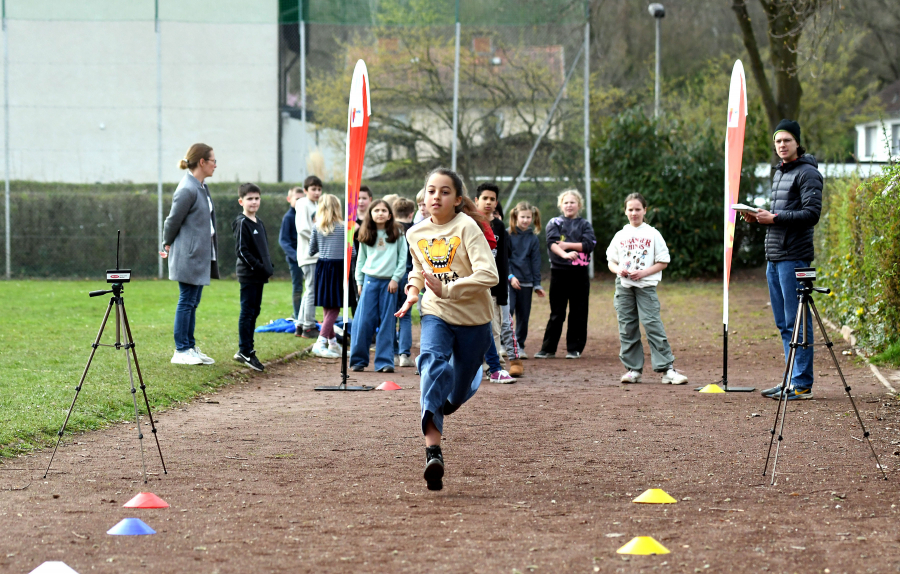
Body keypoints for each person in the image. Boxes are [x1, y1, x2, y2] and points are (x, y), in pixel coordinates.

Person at [395, 167, 498, 491]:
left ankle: (456, 392)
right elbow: (418, 269)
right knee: (431, 366)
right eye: (430, 190)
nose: (435, 196)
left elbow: (489, 275)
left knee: (453, 393)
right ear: (423, 196)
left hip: (474, 320)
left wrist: (449, 288)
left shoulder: (468, 227)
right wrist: (414, 292)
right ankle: (433, 453)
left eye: (444, 191)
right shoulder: (415, 233)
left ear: (457, 199)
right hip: (435, 313)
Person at [742, 119, 823, 401]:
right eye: (778, 141)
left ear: (797, 143)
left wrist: (774, 217)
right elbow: (782, 215)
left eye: (787, 140)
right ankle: (790, 380)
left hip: (795, 259)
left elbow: (811, 214)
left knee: (797, 322)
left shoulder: (808, 173)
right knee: (783, 323)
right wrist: (760, 215)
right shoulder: (779, 173)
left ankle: (801, 384)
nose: (782, 145)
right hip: (774, 257)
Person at [606, 193, 688, 385]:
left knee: (652, 324)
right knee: (627, 327)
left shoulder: (652, 234)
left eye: (637, 209)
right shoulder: (620, 235)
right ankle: (633, 370)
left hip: (646, 287)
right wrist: (619, 270)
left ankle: (667, 369)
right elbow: (611, 261)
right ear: (625, 211)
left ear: (645, 210)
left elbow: (663, 262)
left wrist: (643, 273)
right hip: (624, 286)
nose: (634, 213)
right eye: (630, 209)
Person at [162, 143, 219, 366]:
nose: (216, 165)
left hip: (200, 254)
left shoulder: (201, 187)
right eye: (213, 160)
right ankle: (181, 350)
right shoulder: (187, 188)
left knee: (193, 301)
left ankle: (190, 346)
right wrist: (166, 243)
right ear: (202, 162)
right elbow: (172, 221)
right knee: (186, 300)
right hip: (188, 254)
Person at [535, 189, 596, 360]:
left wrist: (567, 244)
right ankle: (548, 349)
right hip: (559, 272)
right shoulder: (554, 222)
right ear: (561, 205)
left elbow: (589, 244)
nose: (569, 205)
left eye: (573, 202)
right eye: (566, 202)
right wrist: (565, 253)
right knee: (557, 312)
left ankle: (574, 348)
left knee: (578, 311)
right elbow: (552, 244)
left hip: (579, 274)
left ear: (579, 205)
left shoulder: (585, 225)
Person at [350, 199, 408, 373]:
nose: (380, 213)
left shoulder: (397, 233)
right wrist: (359, 281)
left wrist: (395, 279)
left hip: (389, 283)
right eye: (376, 210)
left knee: (387, 323)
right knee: (363, 322)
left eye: (384, 210)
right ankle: (358, 360)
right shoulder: (366, 233)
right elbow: (360, 260)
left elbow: (402, 258)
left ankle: (384, 362)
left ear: (390, 215)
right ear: (371, 214)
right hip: (369, 281)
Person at [475, 183, 521, 379]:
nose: (488, 202)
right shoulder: (468, 223)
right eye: (485, 198)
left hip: (492, 288)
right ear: (476, 200)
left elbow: (502, 261)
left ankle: (494, 366)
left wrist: (502, 292)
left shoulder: (500, 226)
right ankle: (472, 366)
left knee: (493, 328)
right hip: (471, 286)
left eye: (492, 199)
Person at [231, 183, 274, 372]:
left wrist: (268, 266)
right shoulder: (242, 223)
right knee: (247, 312)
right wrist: (258, 267)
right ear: (241, 201)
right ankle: (245, 350)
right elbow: (242, 250)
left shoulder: (259, 222)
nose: (254, 202)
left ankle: (247, 348)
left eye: (256, 198)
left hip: (259, 276)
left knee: (255, 310)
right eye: (249, 198)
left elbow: (263, 249)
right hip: (249, 275)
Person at [308, 194, 346, 359]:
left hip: (323, 267)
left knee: (327, 306)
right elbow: (352, 252)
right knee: (335, 307)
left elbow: (311, 250)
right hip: (339, 268)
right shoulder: (345, 228)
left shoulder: (317, 227)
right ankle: (321, 342)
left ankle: (333, 344)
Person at [507, 201, 546, 359]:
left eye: (528, 217)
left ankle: (520, 346)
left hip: (527, 283)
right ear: (516, 216)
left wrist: (537, 284)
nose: (525, 220)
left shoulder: (533, 239)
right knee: (507, 313)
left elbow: (535, 262)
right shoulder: (507, 235)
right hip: (510, 281)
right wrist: (510, 277)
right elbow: (504, 259)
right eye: (522, 217)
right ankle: (505, 344)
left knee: (523, 316)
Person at [295, 175, 323, 339]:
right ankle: (309, 326)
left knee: (309, 290)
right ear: (305, 190)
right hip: (309, 254)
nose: (317, 192)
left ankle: (300, 324)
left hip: (316, 254)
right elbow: (303, 229)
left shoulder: (316, 205)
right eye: (313, 189)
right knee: (312, 290)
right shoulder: (302, 203)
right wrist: (319, 243)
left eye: (319, 189)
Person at [392, 197, 416, 367]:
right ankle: (404, 355)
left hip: (393, 276)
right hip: (409, 276)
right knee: (405, 316)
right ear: (411, 213)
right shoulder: (416, 230)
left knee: (391, 316)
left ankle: (392, 353)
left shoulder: (391, 230)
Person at [278, 186, 305, 327]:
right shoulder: (288, 218)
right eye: (297, 199)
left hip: (308, 257)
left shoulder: (308, 215)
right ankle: (297, 315)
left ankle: (307, 316)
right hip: (296, 260)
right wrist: (296, 256)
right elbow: (283, 241)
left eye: (303, 199)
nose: (300, 202)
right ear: (290, 199)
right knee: (298, 287)